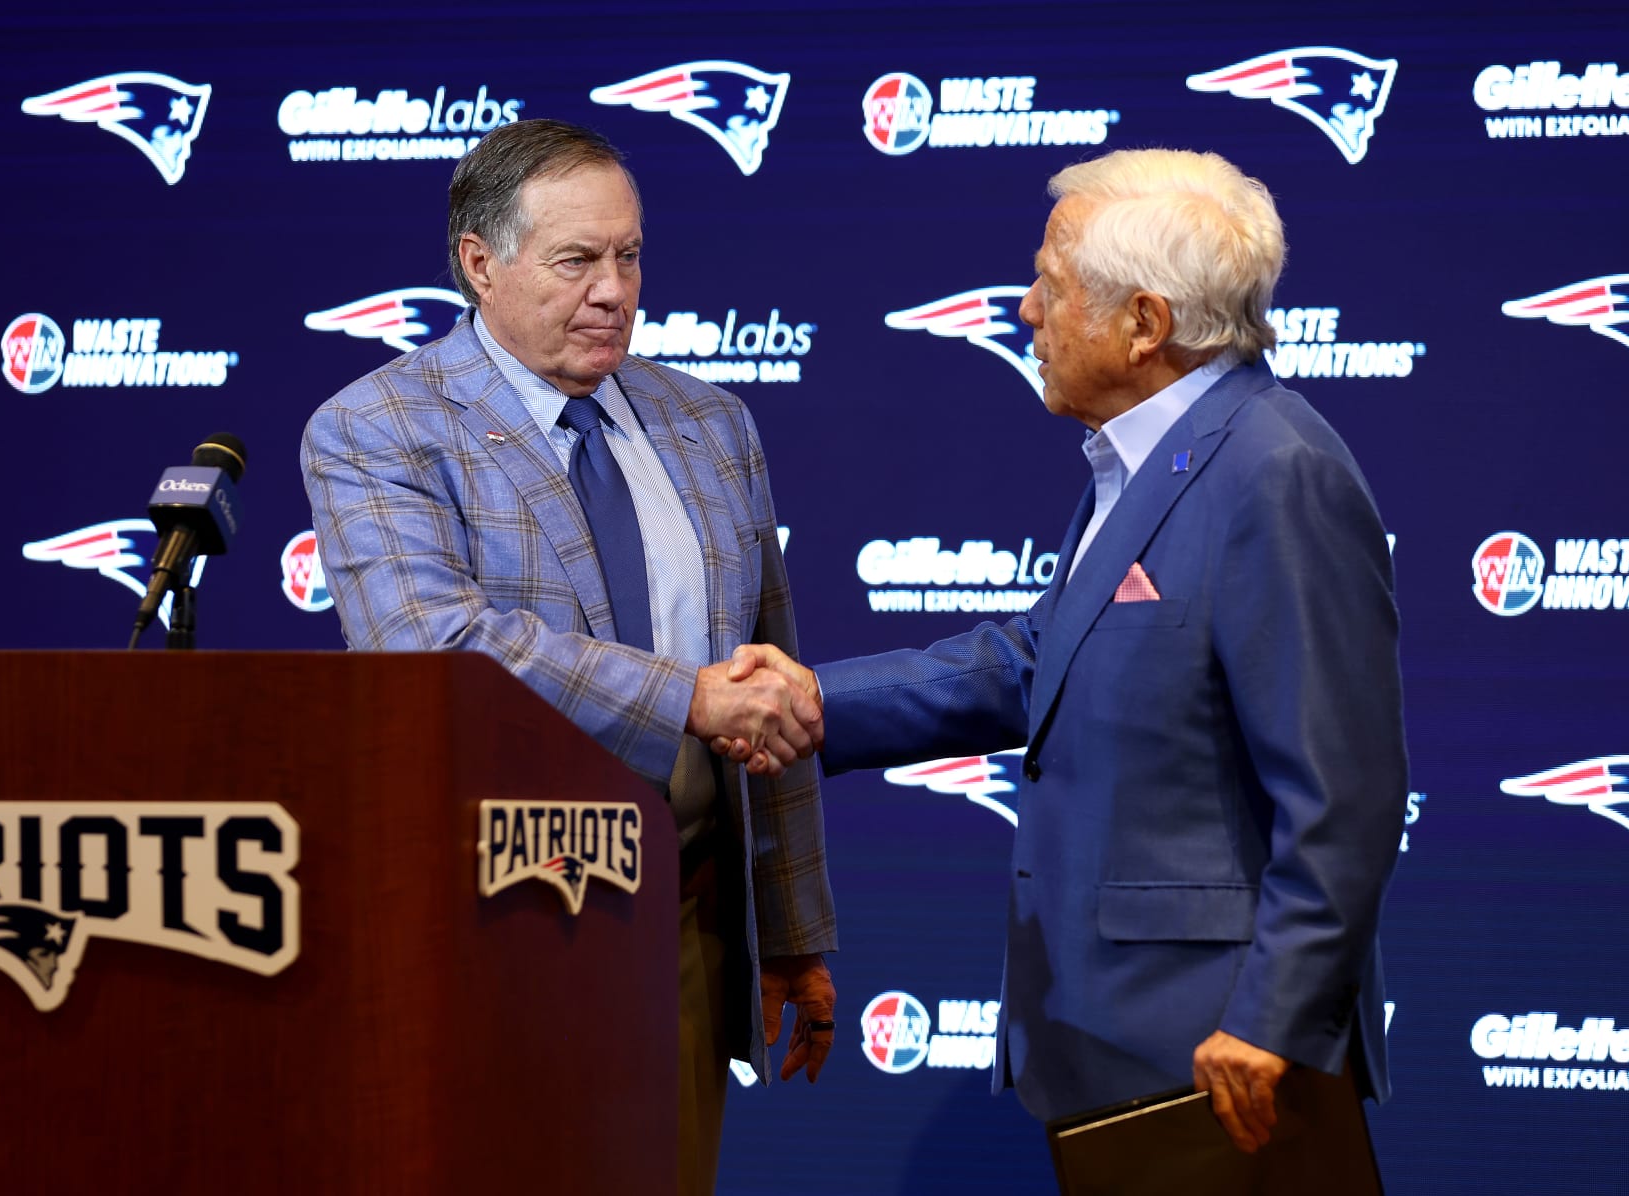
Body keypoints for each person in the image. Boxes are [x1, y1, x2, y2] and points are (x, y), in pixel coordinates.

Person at [724, 148, 1407, 1157]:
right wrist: (825, 699)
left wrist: (1274, 1017)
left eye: (1050, 286)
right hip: (1119, 1037)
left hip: (1219, 1053)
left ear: (1144, 323)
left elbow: (1342, 792)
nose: (1028, 313)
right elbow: (1048, 657)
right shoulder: (1142, 457)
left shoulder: (1275, 471)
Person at [300, 119, 837, 1196]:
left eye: (629, 256)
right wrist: (681, 697)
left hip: (681, 916)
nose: (612, 291)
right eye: (576, 260)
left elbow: (767, 681)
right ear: (480, 262)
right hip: (485, 921)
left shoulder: (711, 424)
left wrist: (790, 928)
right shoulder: (378, 427)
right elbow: (433, 645)